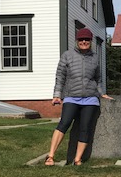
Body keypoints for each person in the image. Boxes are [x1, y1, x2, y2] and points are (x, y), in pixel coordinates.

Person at [45, 28, 113, 166]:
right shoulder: (67, 55)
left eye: (87, 39)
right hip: (71, 97)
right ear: (77, 41)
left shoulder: (95, 57)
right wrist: (57, 95)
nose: (84, 42)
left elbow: (98, 79)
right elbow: (60, 76)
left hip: (90, 99)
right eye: (81, 39)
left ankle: (78, 159)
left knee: (85, 127)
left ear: (90, 41)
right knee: (64, 123)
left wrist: (102, 93)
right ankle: (50, 156)